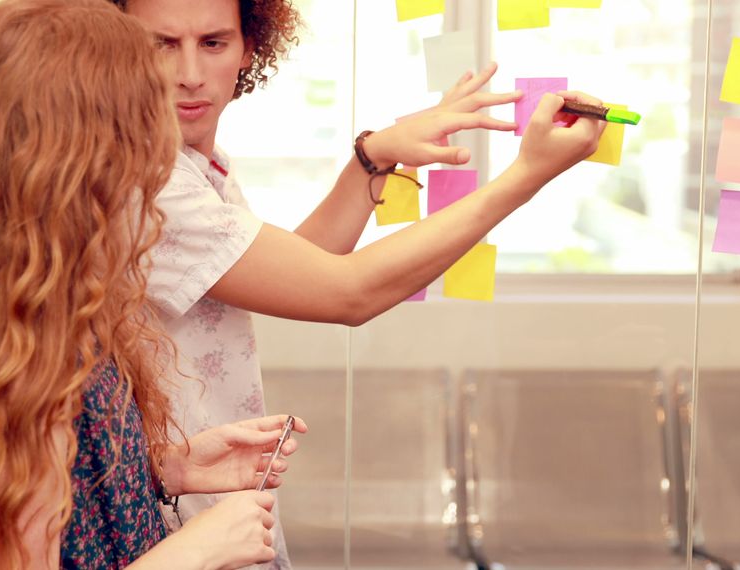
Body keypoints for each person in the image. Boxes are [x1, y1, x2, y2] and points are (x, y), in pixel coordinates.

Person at [111, 1, 607, 567]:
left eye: (214, 43)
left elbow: (297, 267)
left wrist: (374, 156)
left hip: (199, 499)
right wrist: (526, 176)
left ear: (249, 47)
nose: (190, 74)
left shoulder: (194, 165)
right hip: (170, 520)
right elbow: (348, 292)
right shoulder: (146, 182)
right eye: (162, 44)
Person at [0, 1, 306, 568]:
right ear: (84, 155)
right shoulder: (1, 336)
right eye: (142, 132)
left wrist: (164, 466)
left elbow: (61, 489)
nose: (157, 161)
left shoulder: (33, 284)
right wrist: (196, 551)